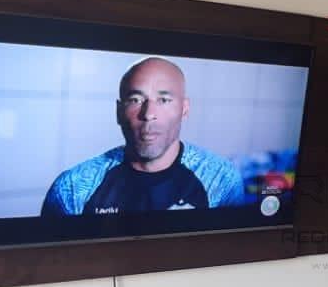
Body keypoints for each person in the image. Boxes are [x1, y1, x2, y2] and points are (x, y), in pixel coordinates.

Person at [41, 57, 245, 216]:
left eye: (163, 100)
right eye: (136, 100)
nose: (148, 114)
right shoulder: (72, 187)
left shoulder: (221, 179)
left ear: (184, 109)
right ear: (119, 111)